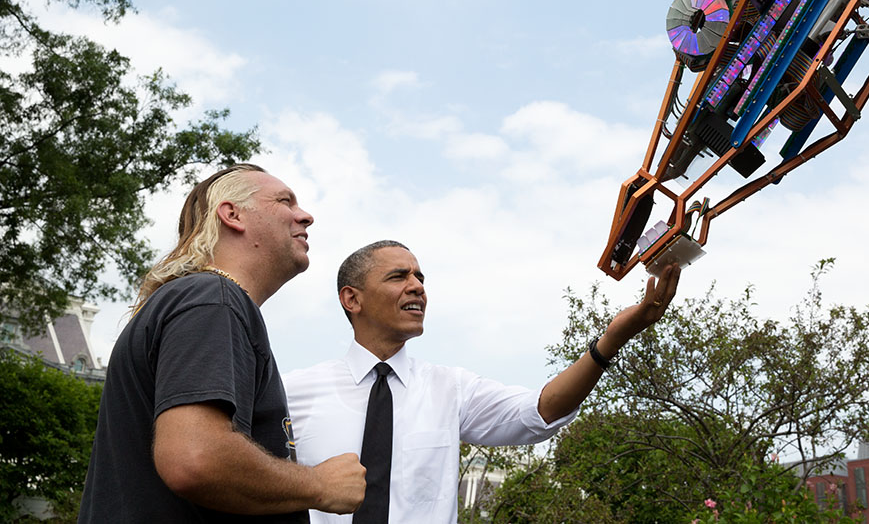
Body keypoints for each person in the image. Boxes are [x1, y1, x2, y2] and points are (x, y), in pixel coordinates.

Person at [284, 239, 680, 523]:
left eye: (420, 277)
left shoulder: (450, 389)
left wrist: (612, 340)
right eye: (397, 276)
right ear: (352, 299)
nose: (417, 286)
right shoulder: (292, 392)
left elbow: (541, 412)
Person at [79, 164, 366, 523]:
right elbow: (194, 459)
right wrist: (319, 485)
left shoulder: (205, 301)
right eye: (284, 201)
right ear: (232, 215)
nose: (305, 216)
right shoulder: (213, 300)